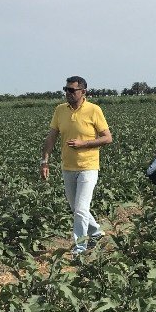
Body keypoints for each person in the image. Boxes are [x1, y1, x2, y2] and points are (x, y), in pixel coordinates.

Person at [40, 76, 113, 255]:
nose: (68, 93)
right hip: (68, 167)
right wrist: (44, 161)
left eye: (72, 90)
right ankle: (95, 232)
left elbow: (107, 138)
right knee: (76, 209)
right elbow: (51, 137)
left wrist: (84, 144)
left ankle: (79, 248)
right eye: (66, 90)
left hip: (88, 166)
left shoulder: (94, 110)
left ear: (83, 92)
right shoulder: (60, 110)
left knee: (81, 209)